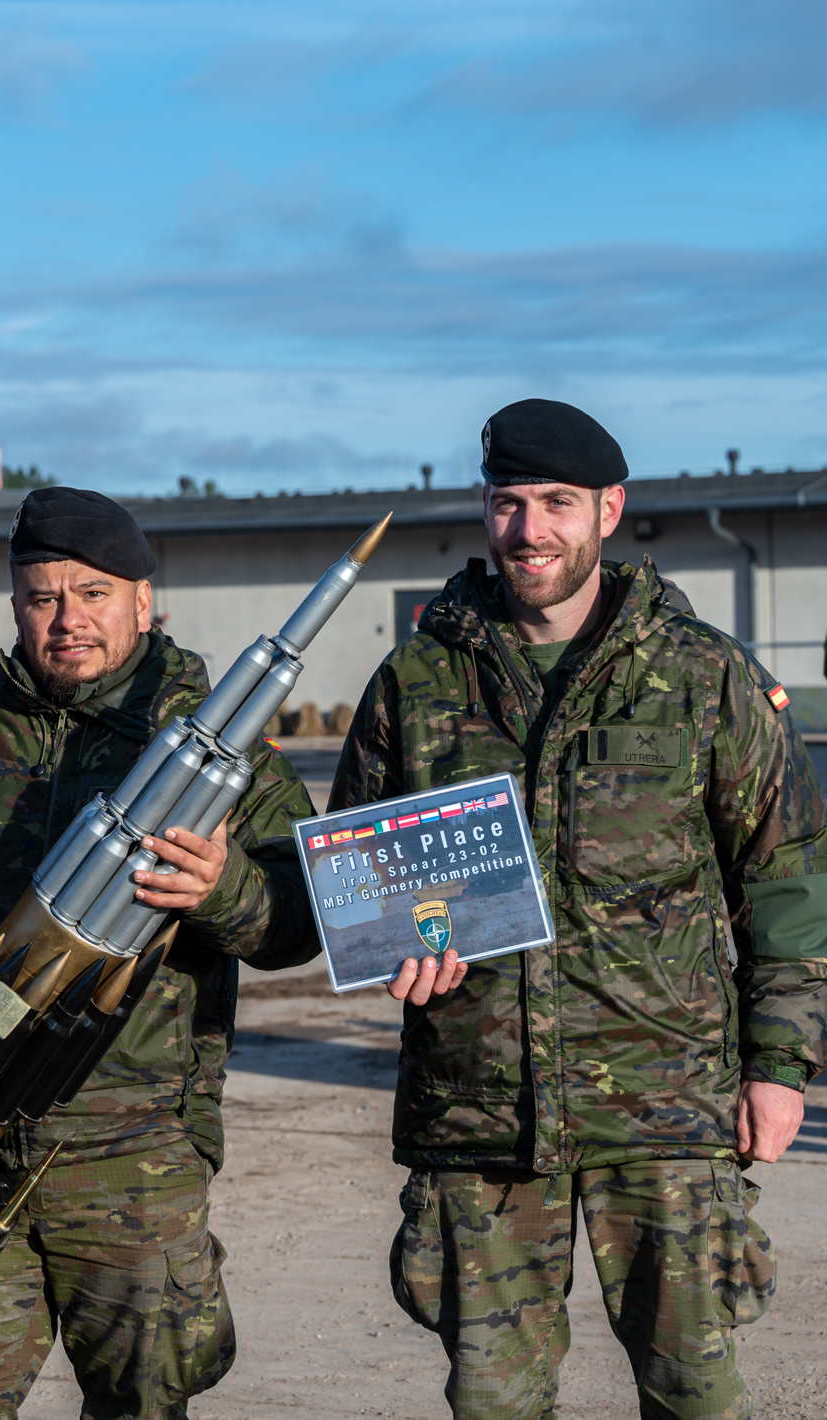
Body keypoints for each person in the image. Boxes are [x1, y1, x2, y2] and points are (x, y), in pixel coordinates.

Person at [330, 398, 826, 1419]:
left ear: (608, 509)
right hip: (477, 1117)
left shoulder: (698, 676)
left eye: (555, 502)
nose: (528, 529)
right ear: (482, 508)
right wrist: (401, 945)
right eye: (507, 502)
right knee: (495, 1401)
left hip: (665, 1109)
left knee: (692, 1391)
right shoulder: (415, 683)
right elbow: (360, 876)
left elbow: (786, 881)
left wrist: (777, 1069)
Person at [0, 486, 320, 1420]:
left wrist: (225, 890)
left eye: (92, 595)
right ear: (15, 607)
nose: (67, 619)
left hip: (132, 1158)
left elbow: (303, 922)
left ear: (141, 602)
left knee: (141, 1402)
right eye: (43, 597)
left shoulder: (212, 751)